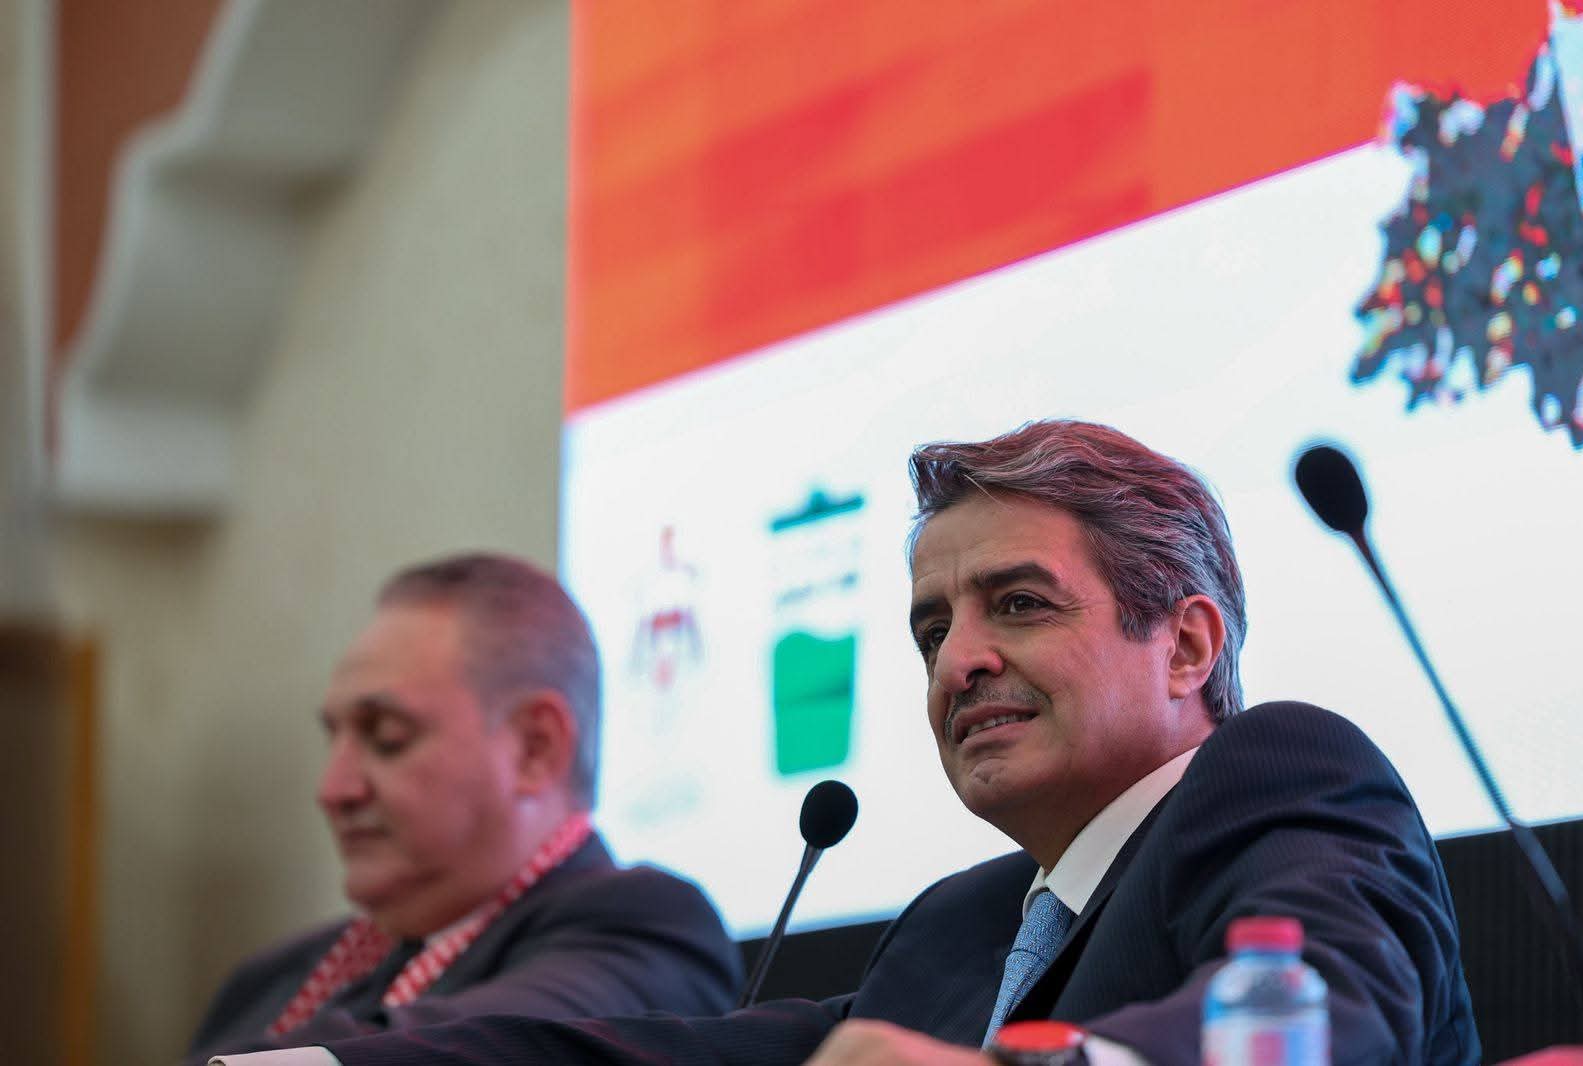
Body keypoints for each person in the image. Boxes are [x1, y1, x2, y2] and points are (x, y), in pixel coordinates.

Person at [221, 421, 1479, 1065]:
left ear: (1187, 645)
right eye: (932, 627)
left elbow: (1326, 1015)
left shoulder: (1279, 777)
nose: (958, 659)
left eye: (1017, 604)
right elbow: (652, 1054)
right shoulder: (960, 923)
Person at [189, 553, 741, 1061]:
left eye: (386, 737)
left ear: (534, 748)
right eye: (334, 739)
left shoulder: (645, 928)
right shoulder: (271, 976)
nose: (333, 789)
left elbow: (464, 1048)